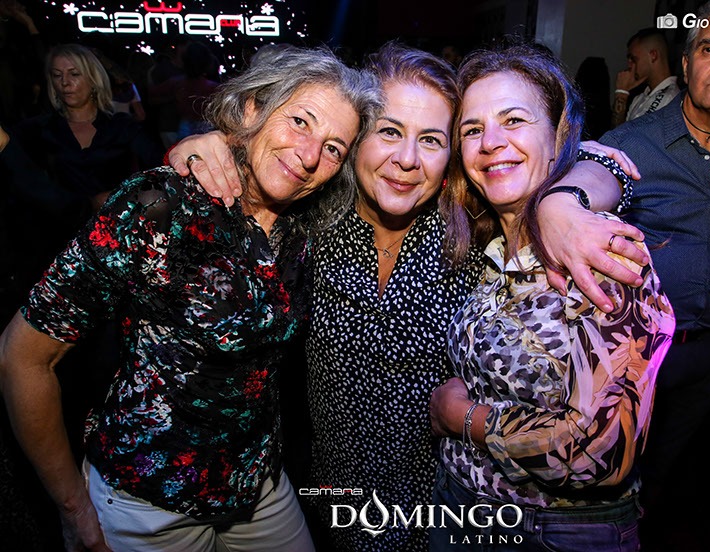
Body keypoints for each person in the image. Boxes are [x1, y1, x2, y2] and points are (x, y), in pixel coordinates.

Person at [167, 42, 650, 550]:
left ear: (451, 156)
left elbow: (586, 158)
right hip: (335, 497)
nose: (406, 160)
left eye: (432, 139)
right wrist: (214, 144)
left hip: (442, 509)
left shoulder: (474, 228)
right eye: (389, 131)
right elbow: (260, 166)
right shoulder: (310, 221)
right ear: (355, 139)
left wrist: (564, 202)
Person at [0, 45, 382, 552]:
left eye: (334, 148)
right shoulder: (160, 205)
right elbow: (22, 357)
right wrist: (72, 507)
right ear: (253, 107)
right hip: (148, 500)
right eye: (299, 122)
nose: (310, 155)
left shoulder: (309, 227)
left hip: (258, 485)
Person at [562, 0, 710, 542]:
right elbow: (577, 206)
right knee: (599, 482)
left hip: (707, 353)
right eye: (709, 48)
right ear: (687, 62)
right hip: (628, 360)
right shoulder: (630, 146)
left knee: (660, 478)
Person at [428, 42, 675, 551]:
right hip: (460, 504)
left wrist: (467, 419)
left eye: (514, 120)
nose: (490, 142)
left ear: (559, 134)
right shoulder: (490, 243)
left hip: (555, 530)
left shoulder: (599, 252)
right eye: (472, 129)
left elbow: (601, 452)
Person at [0, 43, 163, 296]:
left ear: (93, 78)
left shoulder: (123, 128)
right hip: (55, 244)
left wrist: (124, 198)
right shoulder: (35, 130)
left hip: (112, 245)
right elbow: (21, 177)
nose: (65, 82)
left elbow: (160, 171)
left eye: (74, 74)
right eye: (57, 75)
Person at [612, 28, 680, 128]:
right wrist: (622, 93)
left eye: (633, 59)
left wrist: (621, 94)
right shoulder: (639, 98)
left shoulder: (670, 99)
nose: (630, 65)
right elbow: (618, 134)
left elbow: (633, 137)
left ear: (653, 56)